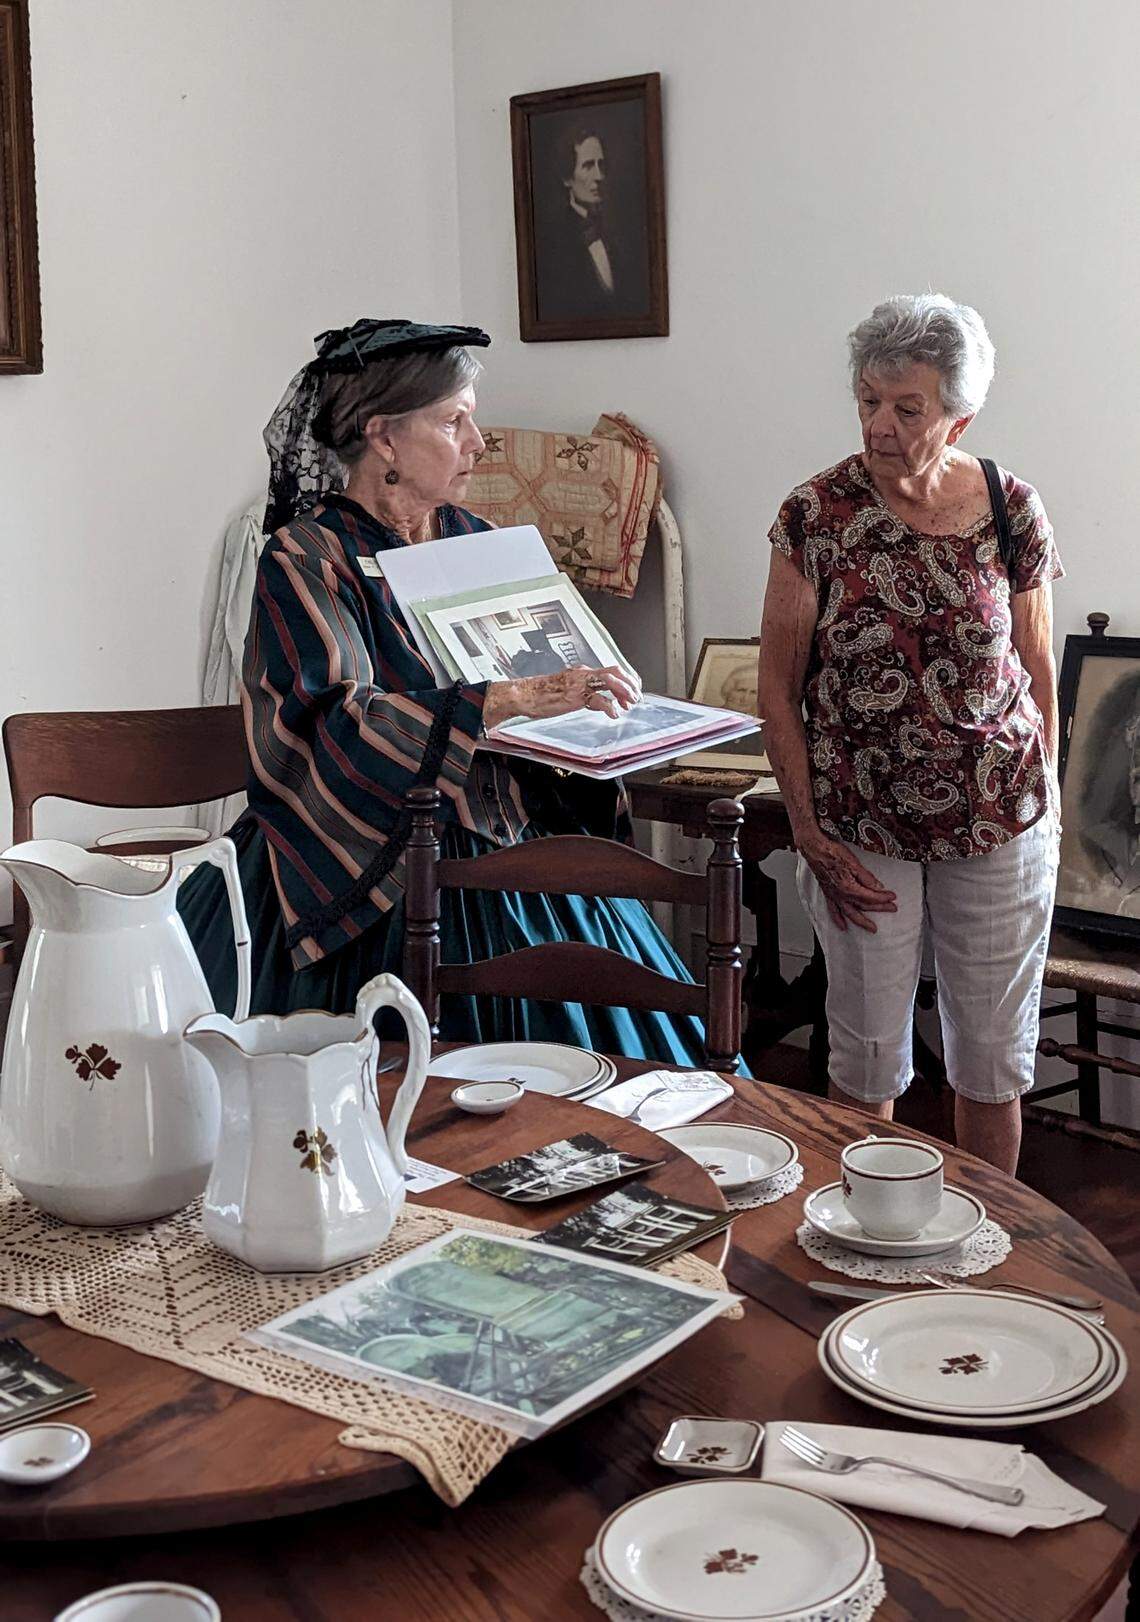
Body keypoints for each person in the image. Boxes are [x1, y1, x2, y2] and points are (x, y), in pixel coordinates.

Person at [179, 317, 710, 1064]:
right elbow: (329, 718)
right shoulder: (306, 556)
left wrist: (597, 699)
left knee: (621, 1074)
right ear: (384, 438)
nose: (477, 441)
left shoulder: (479, 540)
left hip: (505, 843)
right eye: (454, 420)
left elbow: (548, 676)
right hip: (367, 866)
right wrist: (509, 700)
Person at [757, 294, 1062, 1174]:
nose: (879, 427)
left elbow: (1036, 674)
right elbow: (778, 690)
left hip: (1002, 820)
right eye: (867, 401)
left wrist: (1049, 817)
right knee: (864, 1057)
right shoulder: (815, 515)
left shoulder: (1012, 508)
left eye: (907, 408)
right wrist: (808, 831)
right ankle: (864, 1242)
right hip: (861, 829)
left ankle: (994, 1254)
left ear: (959, 416)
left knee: (994, 1058)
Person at [538, 127, 624, 320]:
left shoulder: (615, 235)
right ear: (567, 178)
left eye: (601, 164)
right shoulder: (553, 241)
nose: (599, 176)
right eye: (587, 166)